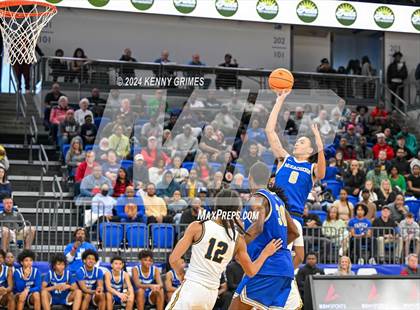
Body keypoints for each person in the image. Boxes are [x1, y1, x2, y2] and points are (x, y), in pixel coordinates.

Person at [166, 189, 282, 310]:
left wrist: (181, 275)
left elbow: (174, 259)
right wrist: (265, 253)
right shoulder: (238, 239)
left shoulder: (198, 226)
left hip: (192, 287)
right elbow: (251, 271)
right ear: (236, 210)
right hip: (210, 295)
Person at [231, 162, 299, 309]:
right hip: (284, 269)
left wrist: (237, 246)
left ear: (249, 178)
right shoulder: (278, 200)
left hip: (267, 268)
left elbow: (258, 227)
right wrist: (278, 246)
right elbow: (295, 232)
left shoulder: (257, 197)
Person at [266, 90, 326, 231]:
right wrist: (279, 102)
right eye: (297, 141)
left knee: (295, 253)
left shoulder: (312, 168)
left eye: (302, 142)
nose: (297, 143)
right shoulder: (284, 159)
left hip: (294, 216)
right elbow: (270, 131)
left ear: (311, 150)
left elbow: (322, 174)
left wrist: (320, 147)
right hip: (275, 211)